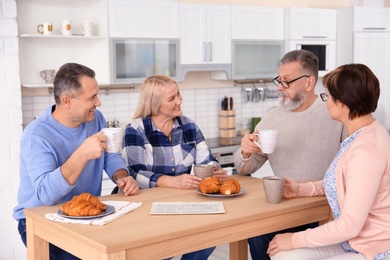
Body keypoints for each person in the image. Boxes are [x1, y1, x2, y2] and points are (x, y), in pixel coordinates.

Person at [13, 63, 139, 260]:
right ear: (67, 101)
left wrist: (121, 176)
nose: (98, 103)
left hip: (85, 217)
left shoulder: (95, 118)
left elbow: (110, 154)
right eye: (91, 97)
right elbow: (46, 195)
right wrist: (82, 154)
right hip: (40, 220)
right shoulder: (37, 135)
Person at [267, 63, 390, 260]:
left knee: (286, 251)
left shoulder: (367, 150)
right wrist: (302, 189)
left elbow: (349, 224)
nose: (326, 102)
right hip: (355, 242)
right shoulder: (363, 135)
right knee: (283, 254)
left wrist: (295, 239)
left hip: (373, 250)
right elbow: (346, 183)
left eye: (327, 96)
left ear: (342, 102)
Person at [234, 50, 345, 259]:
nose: (279, 87)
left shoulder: (334, 114)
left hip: (324, 208)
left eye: (286, 81)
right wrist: (245, 152)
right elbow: (245, 167)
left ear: (309, 83)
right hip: (285, 209)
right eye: (279, 80)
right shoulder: (272, 118)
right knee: (256, 235)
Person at [122, 75, 227, 259]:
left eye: (178, 94)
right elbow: (135, 172)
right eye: (172, 98)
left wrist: (215, 170)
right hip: (147, 209)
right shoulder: (135, 129)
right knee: (162, 252)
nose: (179, 101)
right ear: (154, 104)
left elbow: (207, 159)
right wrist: (172, 181)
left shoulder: (189, 126)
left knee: (206, 240)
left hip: (183, 204)